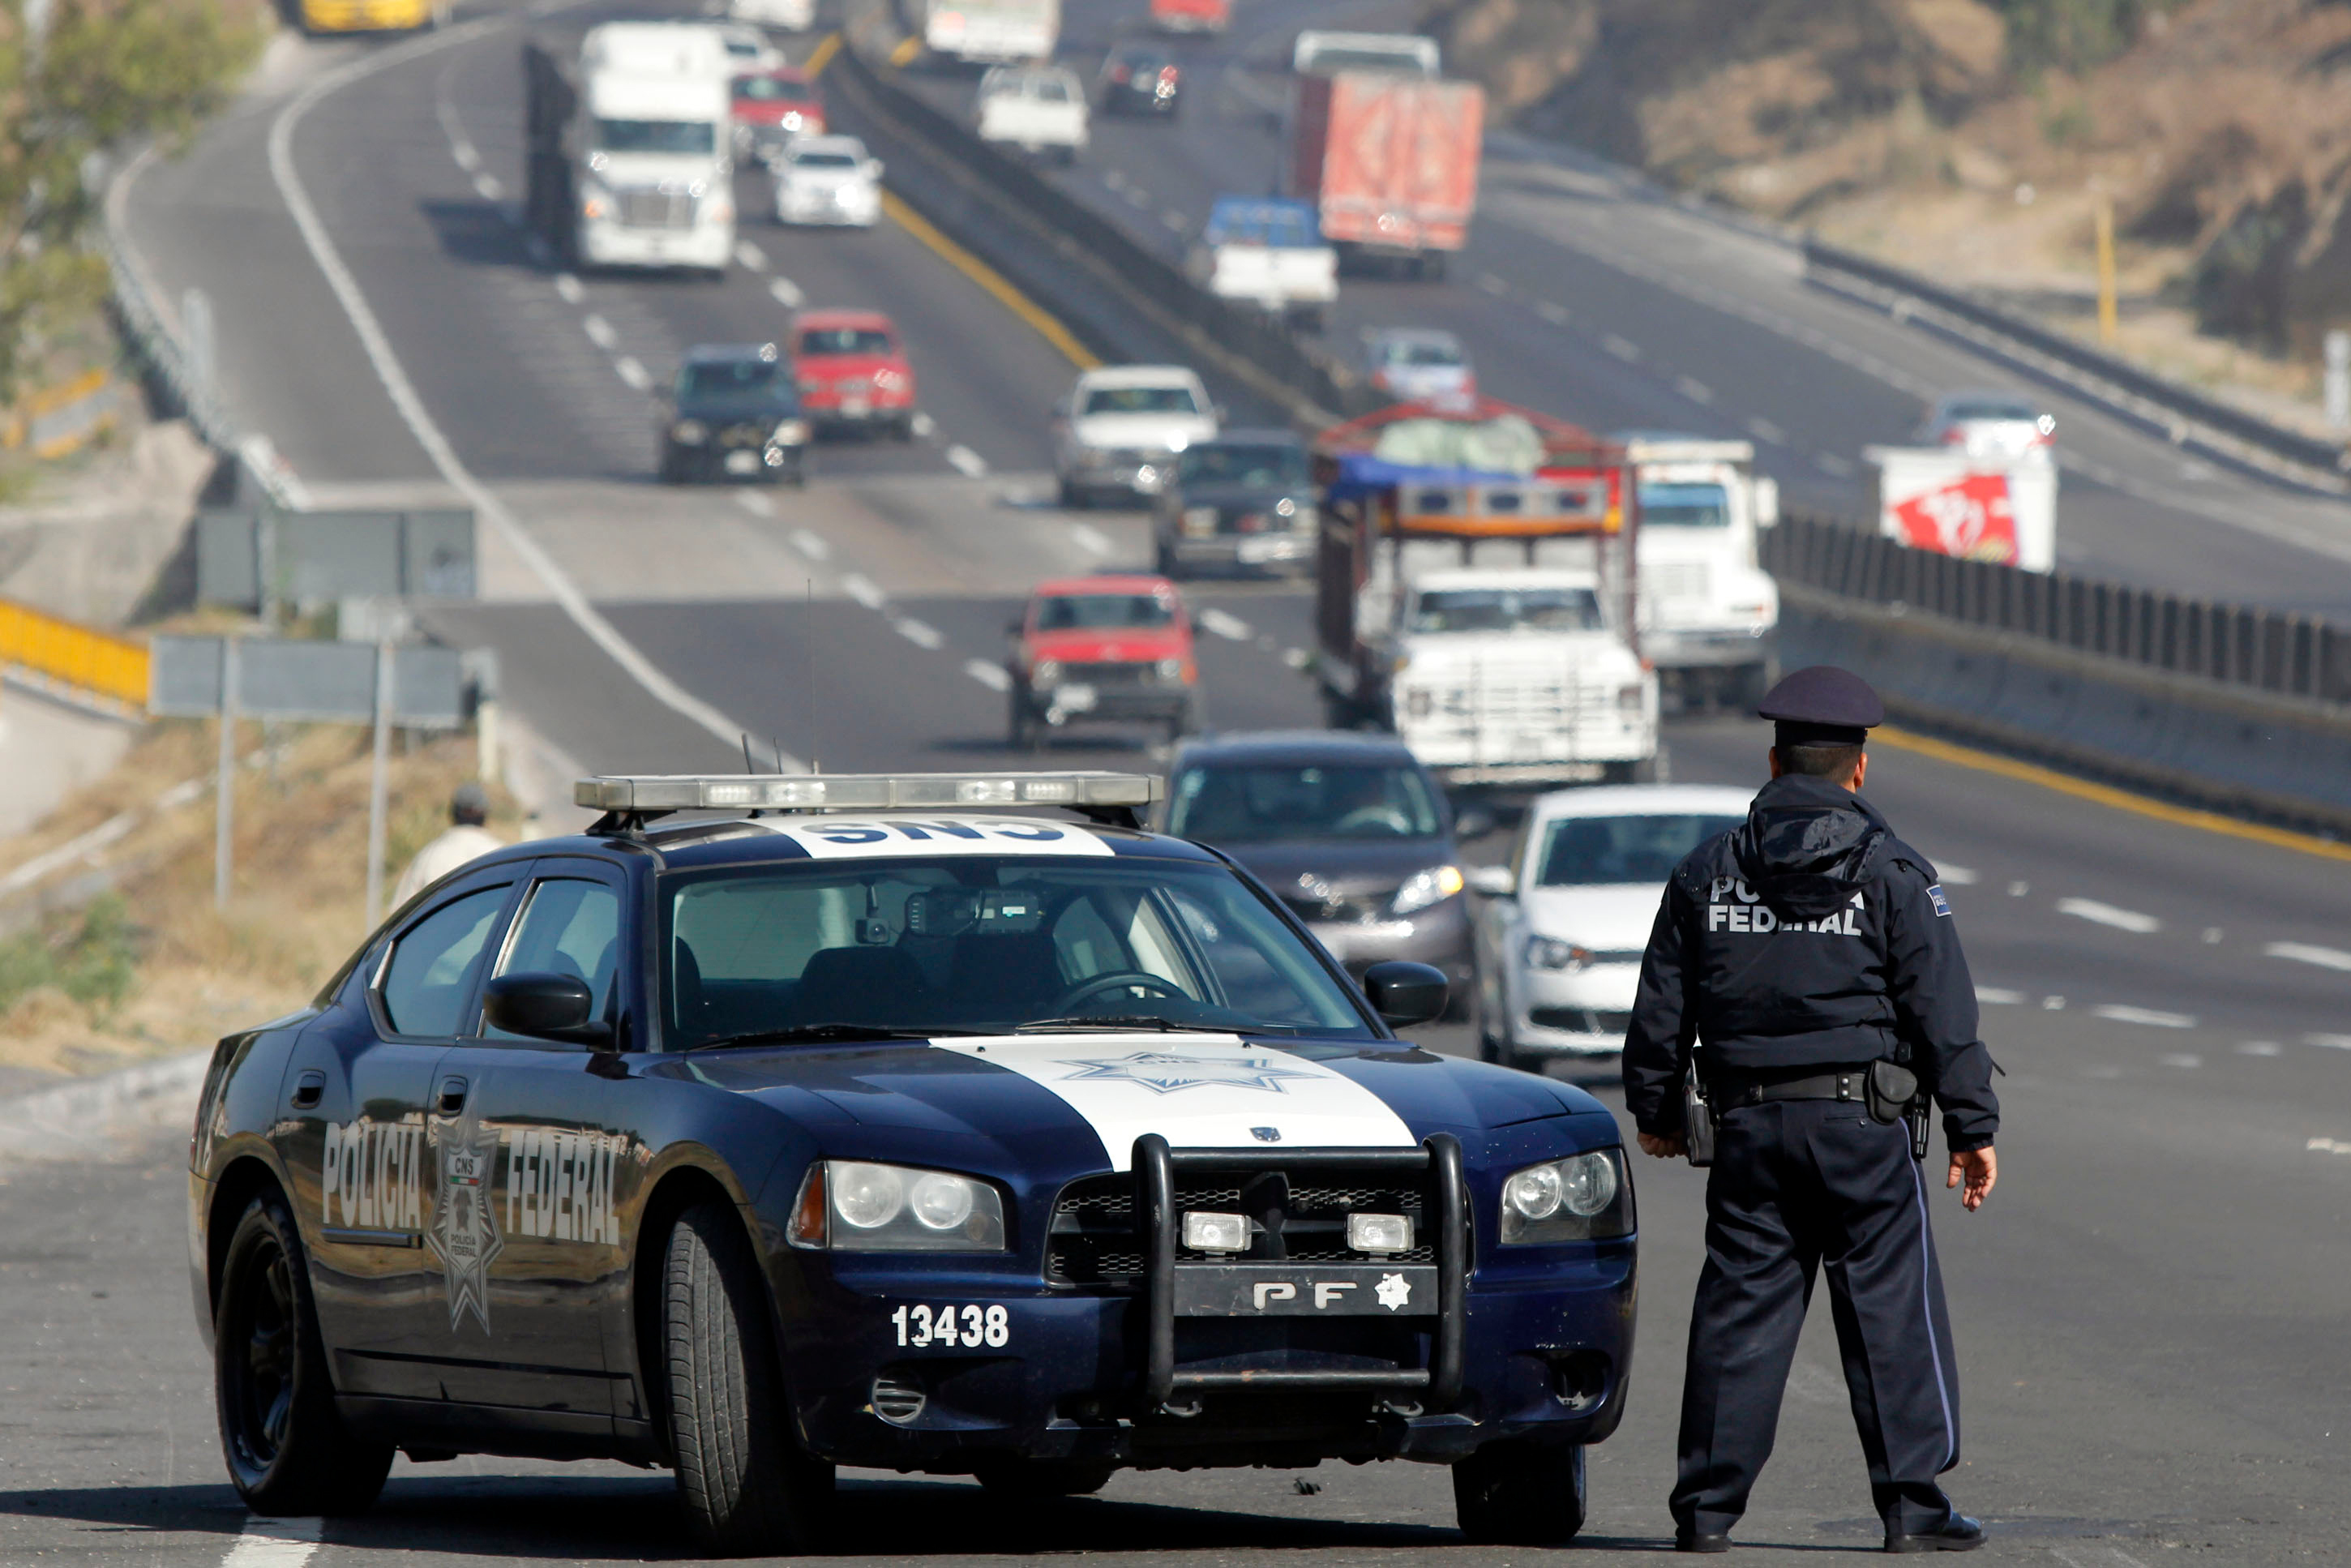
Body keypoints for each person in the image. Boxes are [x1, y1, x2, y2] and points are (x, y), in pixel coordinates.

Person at [1621, 666, 2000, 1556]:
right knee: (1887, 1313)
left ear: (1773, 759)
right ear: (1856, 769)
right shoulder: (1895, 872)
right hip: (1862, 1131)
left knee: (1738, 1316)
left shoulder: (1707, 870)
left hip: (1748, 1130)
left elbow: (1658, 1005)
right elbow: (1943, 1012)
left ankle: (1705, 1513)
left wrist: (1655, 1107)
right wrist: (1971, 1127)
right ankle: (1911, 1510)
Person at [391, 782, 504, 908]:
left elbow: (402, 911)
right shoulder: (500, 854)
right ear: (484, 813)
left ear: (452, 813)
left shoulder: (428, 856)